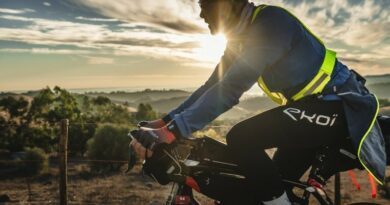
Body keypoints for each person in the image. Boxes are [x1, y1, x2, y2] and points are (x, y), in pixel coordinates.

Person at [130, 0, 386, 204]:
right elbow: (212, 86)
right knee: (268, 184)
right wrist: (166, 122)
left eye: (205, 3)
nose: (201, 14)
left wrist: (173, 131)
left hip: (338, 103)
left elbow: (230, 89)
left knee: (242, 137)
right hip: (311, 110)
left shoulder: (270, 24)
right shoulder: (239, 41)